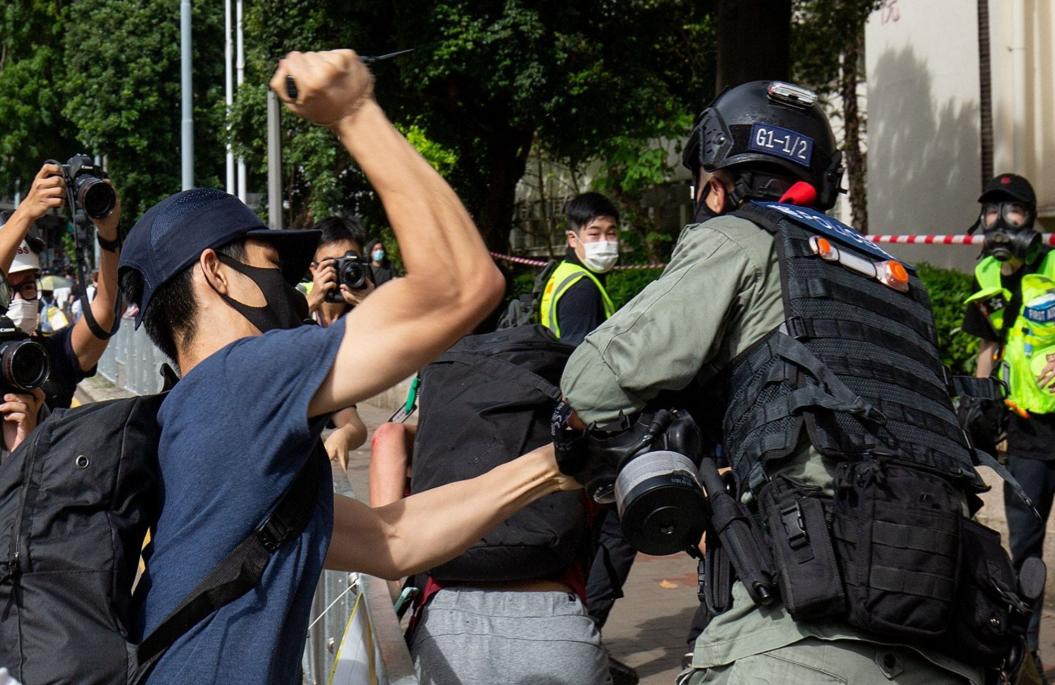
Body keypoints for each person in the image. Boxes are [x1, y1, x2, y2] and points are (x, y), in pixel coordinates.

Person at [120, 49, 577, 684]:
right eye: (270, 261)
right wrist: (355, 111)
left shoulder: (201, 420)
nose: (290, 280)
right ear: (215, 271)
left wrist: (556, 465)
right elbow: (463, 287)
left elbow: (397, 542)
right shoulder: (241, 378)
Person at [557, 80, 1002, 684]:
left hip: (802, 626)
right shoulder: (897, 279)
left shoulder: (740, 235)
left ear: (715, 185)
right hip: (945, 620)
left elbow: (594, 381)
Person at [963, 172, 1053, 674]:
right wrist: (978, 404)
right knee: (1025, 552)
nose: (1000, 223)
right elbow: (987, 348)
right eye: (992, 212)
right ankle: (1027, 658)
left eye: (1011, 211)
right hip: (1025, 434)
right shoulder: (987, 279)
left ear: (1031, 215)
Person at [0, 162, 123, 410]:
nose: (19, 299)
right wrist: (26, 212)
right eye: (4, 289)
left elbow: (105, 315)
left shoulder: (51, 357)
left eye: (27, 287)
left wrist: (109, 235)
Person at [306, 215, 370, 469]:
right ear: (313, 268)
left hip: (335, 399)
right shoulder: (294, 300)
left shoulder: (371, 309)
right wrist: (311, 300)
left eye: (350, 263)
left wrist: (374, 308)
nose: (345, 272)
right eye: (334, 264)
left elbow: (353, 423)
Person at [539, 192, 619, 346]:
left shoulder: (564, 271)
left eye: (611, 233)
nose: (605, 242)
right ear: (572, 239)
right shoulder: (581, 289)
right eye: (594, 234)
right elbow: (578, 358)